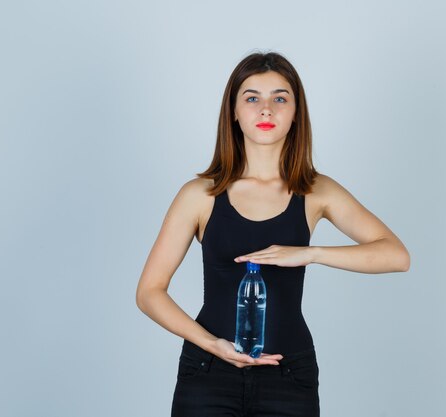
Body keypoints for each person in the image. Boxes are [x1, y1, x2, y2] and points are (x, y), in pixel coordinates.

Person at [136, 51, 410, 417]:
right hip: (207, 373)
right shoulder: (200, 194)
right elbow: (149, 292)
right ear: (233, 111)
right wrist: (212, 345)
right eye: (252, 98)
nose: (266, 110)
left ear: (296, 113)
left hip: (289, 376)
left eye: (280, 98)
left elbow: (396, 255)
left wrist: (309, 253)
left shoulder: (316, 191)